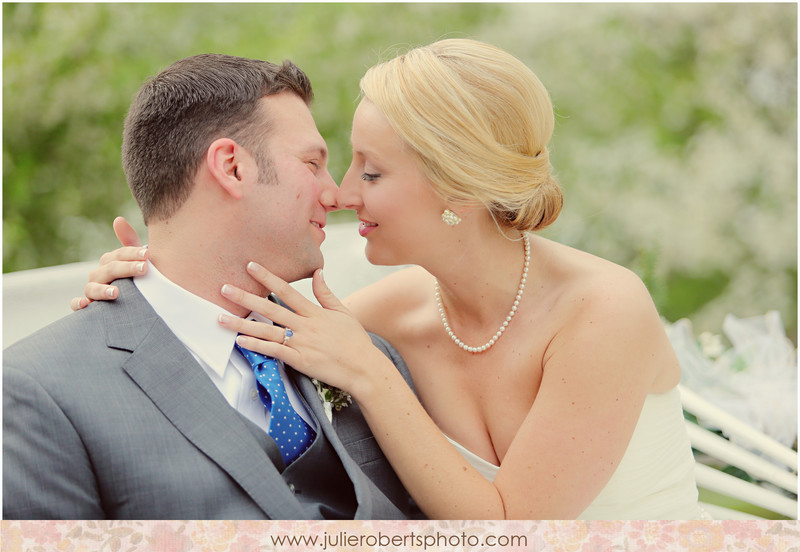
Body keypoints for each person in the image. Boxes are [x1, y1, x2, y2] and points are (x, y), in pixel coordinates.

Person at [73, 40, 705, 519]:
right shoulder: (391, 313)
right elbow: (235, 326)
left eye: (371, 174)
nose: (344, 193)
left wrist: (372, 377)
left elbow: (517, 530)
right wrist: (144, 279)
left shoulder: (603, 311)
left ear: (458, 185)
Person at [3, 54, 421, 520]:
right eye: (312, 163)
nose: (336, 194)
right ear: (232, 167)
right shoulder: (39, 391)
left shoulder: (368, 353)